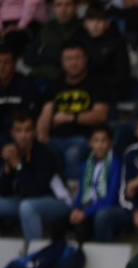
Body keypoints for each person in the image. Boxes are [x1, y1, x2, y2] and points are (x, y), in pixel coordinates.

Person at [36, 40, 110, 183]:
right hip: (56, 138)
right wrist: (42, 137)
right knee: (41, 151)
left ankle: (74, 197)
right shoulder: (55, 85)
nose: (73, 63)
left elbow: (101, 115)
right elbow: (45, 114)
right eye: (68, 59)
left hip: (85, 139)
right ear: (62, 62)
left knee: (73, 153)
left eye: (77, 58)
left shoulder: (97, 84)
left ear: (85, 59)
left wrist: (70, 117)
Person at [0, 108, 71, 242]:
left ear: (33, 132)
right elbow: (4, 191)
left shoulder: (46, 153)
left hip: (58, 201)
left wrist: (17, 165)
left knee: (27, 207)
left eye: (27, 130)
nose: (23, 135)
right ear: (12, 133)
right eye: (19, 130)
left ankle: (35, 253)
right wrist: (7, 168)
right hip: (26, 200)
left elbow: (36, 191)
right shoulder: (13, 152)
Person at [21, 0, 80, 84]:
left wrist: (46, 53)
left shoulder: (82, 28)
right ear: (53, 9)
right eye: (58, 5)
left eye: (68, 5)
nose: (63, 9)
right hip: (37, 77)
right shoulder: (46, 28)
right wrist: (48, 55)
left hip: (65, 80)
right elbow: (28, 57)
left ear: (76, 7)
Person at [79, 2, 131, 96]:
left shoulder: (117, 44)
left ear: (107, 23)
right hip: (83, 90)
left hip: (109, 91)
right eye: (91, 20)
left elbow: (122, 75)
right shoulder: (78, 42)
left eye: (99, 20)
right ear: (85, 23)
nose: (95, 24)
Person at [0, 45, 41, 140]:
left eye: (6, 63)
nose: (1, 67)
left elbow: (29, 116)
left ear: (14, 64)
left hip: (21, 135)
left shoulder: (27, 84)